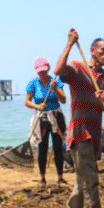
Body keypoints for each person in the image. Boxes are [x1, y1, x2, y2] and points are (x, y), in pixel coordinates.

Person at [54, 29, 104, 208]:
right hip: (80, 133)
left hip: (96, 134)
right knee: (91, 178)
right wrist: (70, 44)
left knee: (82, 179)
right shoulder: (79, 69)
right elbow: (58, 70)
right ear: (93, 51)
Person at [25, 56, 68, 187]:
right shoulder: (32, 83)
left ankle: (60, 177)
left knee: (58, 148)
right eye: (39, 71)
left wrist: (54, 89)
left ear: (48, 69)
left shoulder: (56, 81)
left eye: (44, 71)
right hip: (41, 118)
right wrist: (38, 106)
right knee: (42, 147)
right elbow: (27, 101)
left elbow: (64, 100)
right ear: (36, 71)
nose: (42, 73)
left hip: (56, 116)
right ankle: (42, 178)